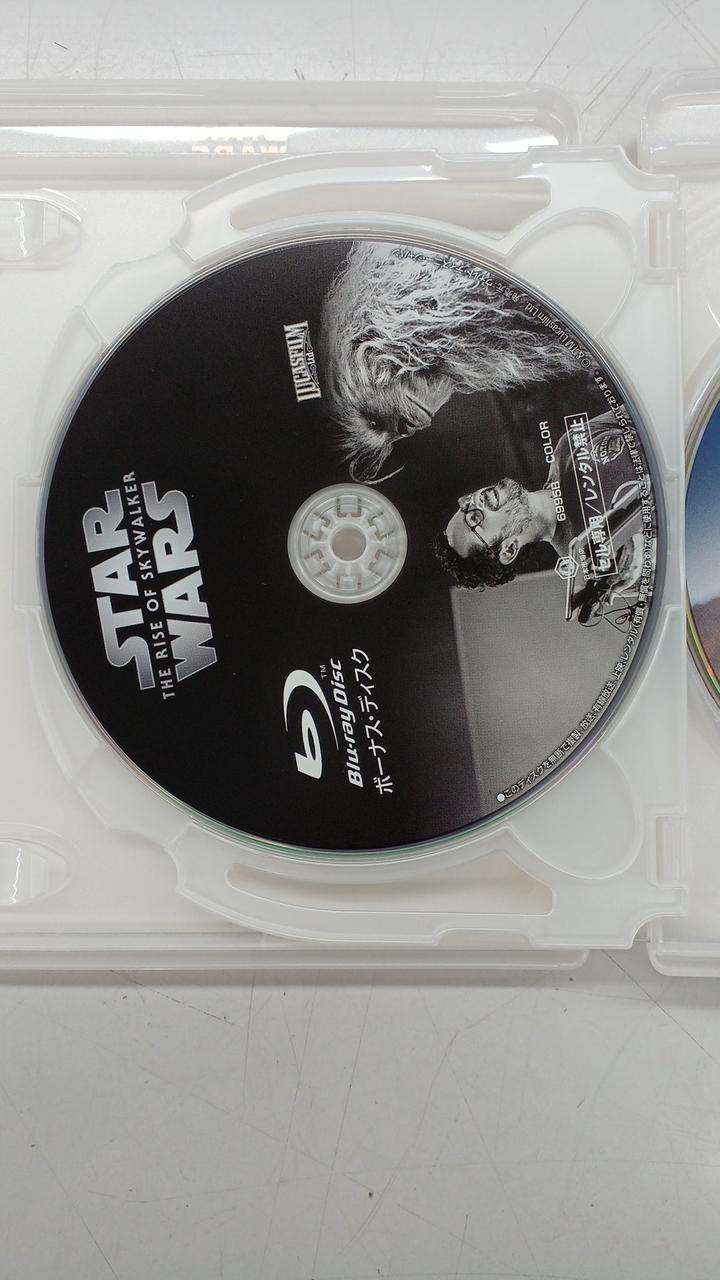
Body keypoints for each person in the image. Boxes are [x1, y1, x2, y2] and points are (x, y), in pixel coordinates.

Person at [434, 411, 646, 597]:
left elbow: (647, 407)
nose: (475, 499)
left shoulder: (567, 447)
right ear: (508, 549)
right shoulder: (592, 561)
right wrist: (648, 549)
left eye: (465, 503)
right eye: (474, 518)